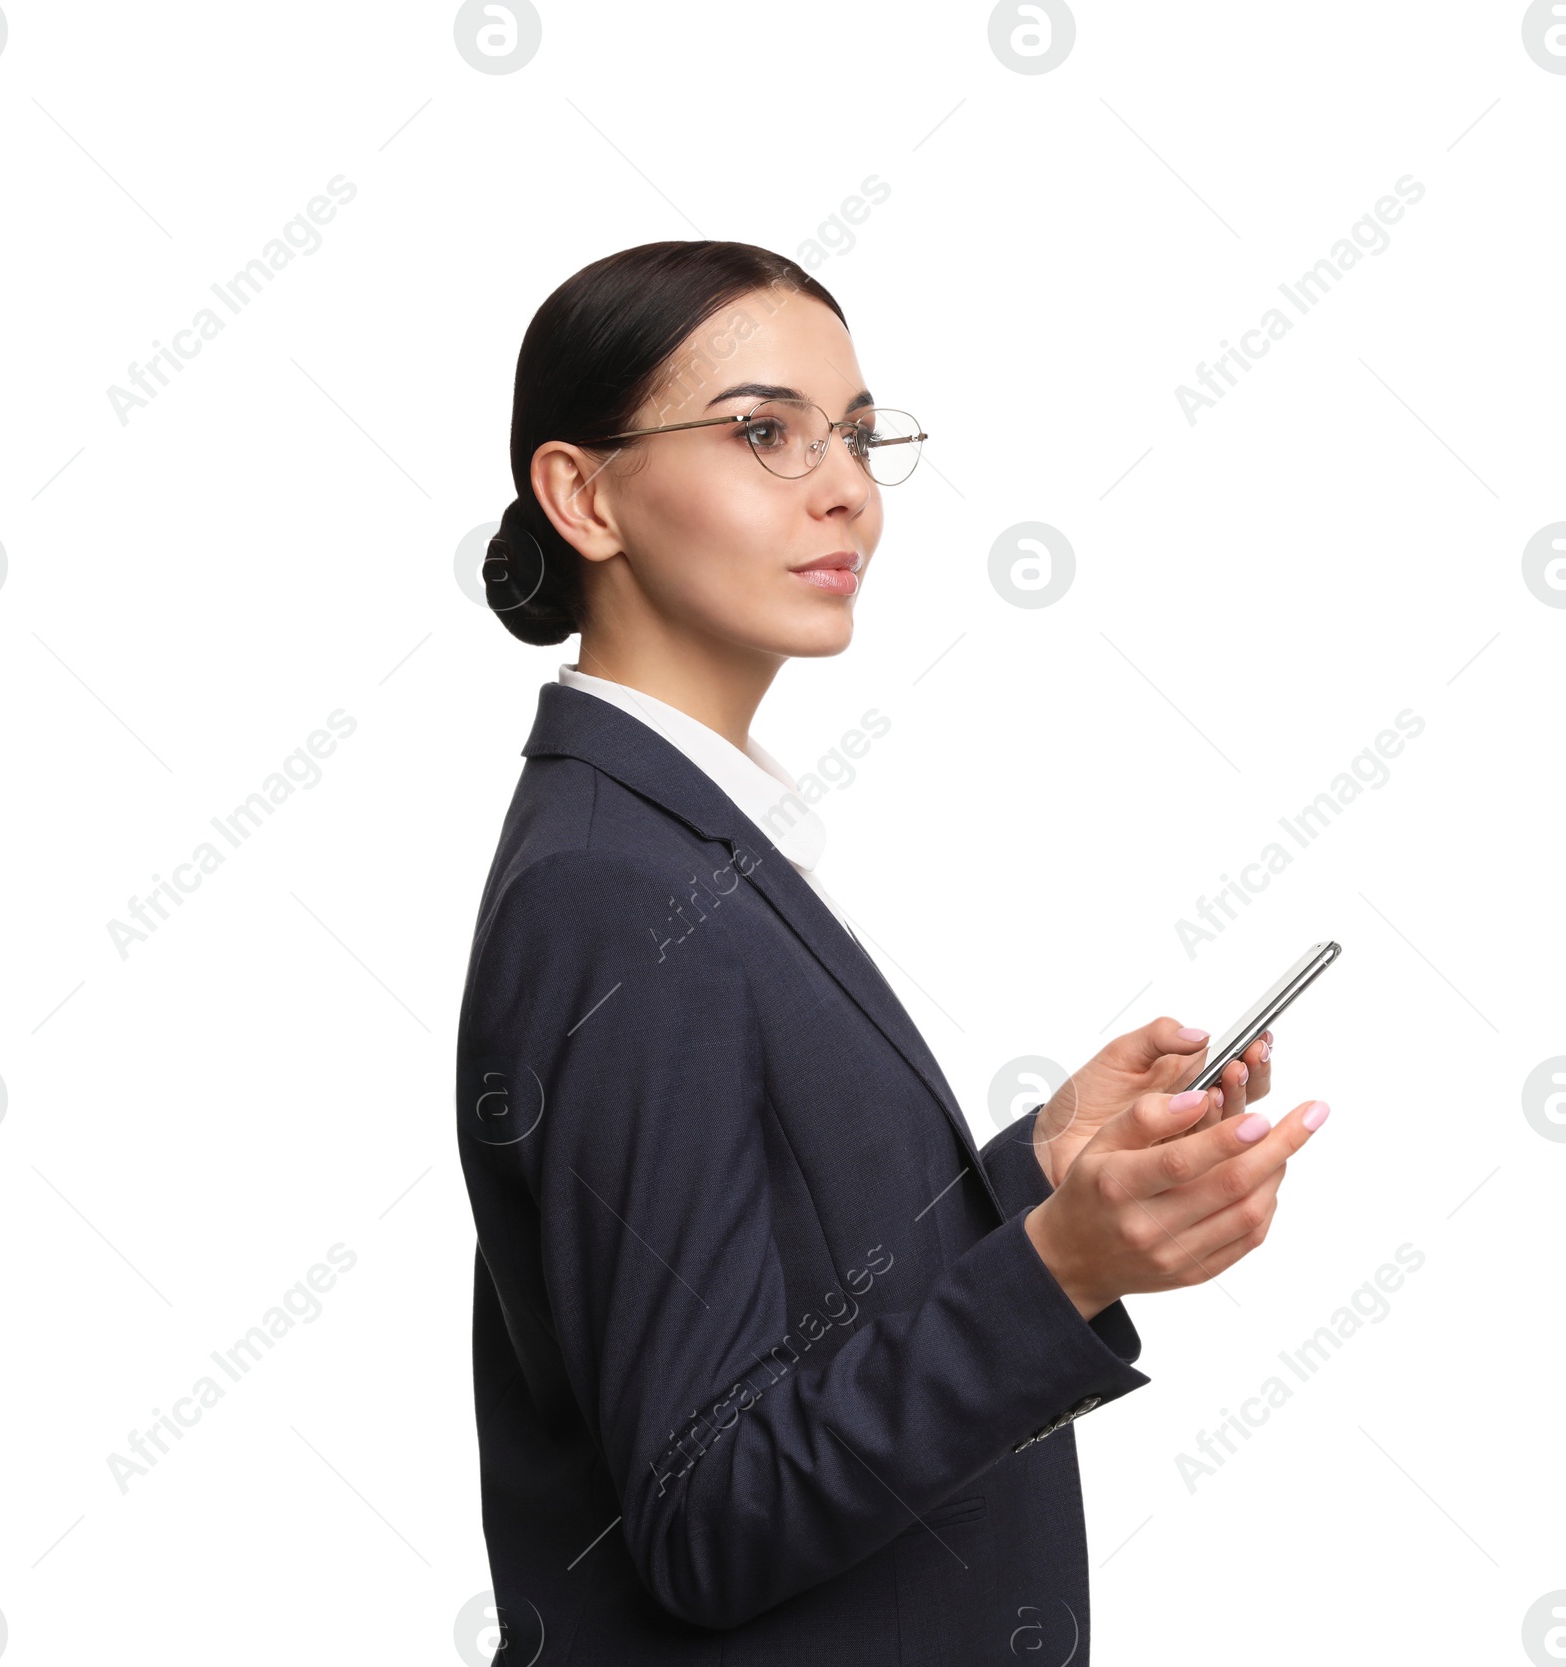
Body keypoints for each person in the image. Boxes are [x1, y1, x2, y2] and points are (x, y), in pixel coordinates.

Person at [454, 240, 1329, 1664]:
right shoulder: (611, 890)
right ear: (583, 494)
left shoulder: (685, 840)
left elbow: (782, 1315)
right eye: (763, 431)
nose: (845, 484)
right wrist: (1058, 1268)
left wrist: (1033, 1176)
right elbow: (705, 1514)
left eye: (857, 434)